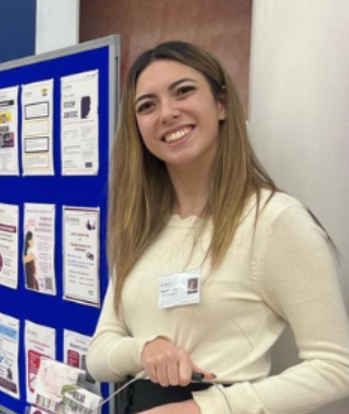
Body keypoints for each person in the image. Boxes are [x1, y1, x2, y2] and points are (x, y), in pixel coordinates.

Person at [86, 41, 349, 414]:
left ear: (221, 104)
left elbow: (337, 368)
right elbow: (97, 354)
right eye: (147, 106)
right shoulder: (140, 226)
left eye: (183, 92)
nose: (167, 113)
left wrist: (205, 409)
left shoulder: (274, 220)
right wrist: (144, 349)